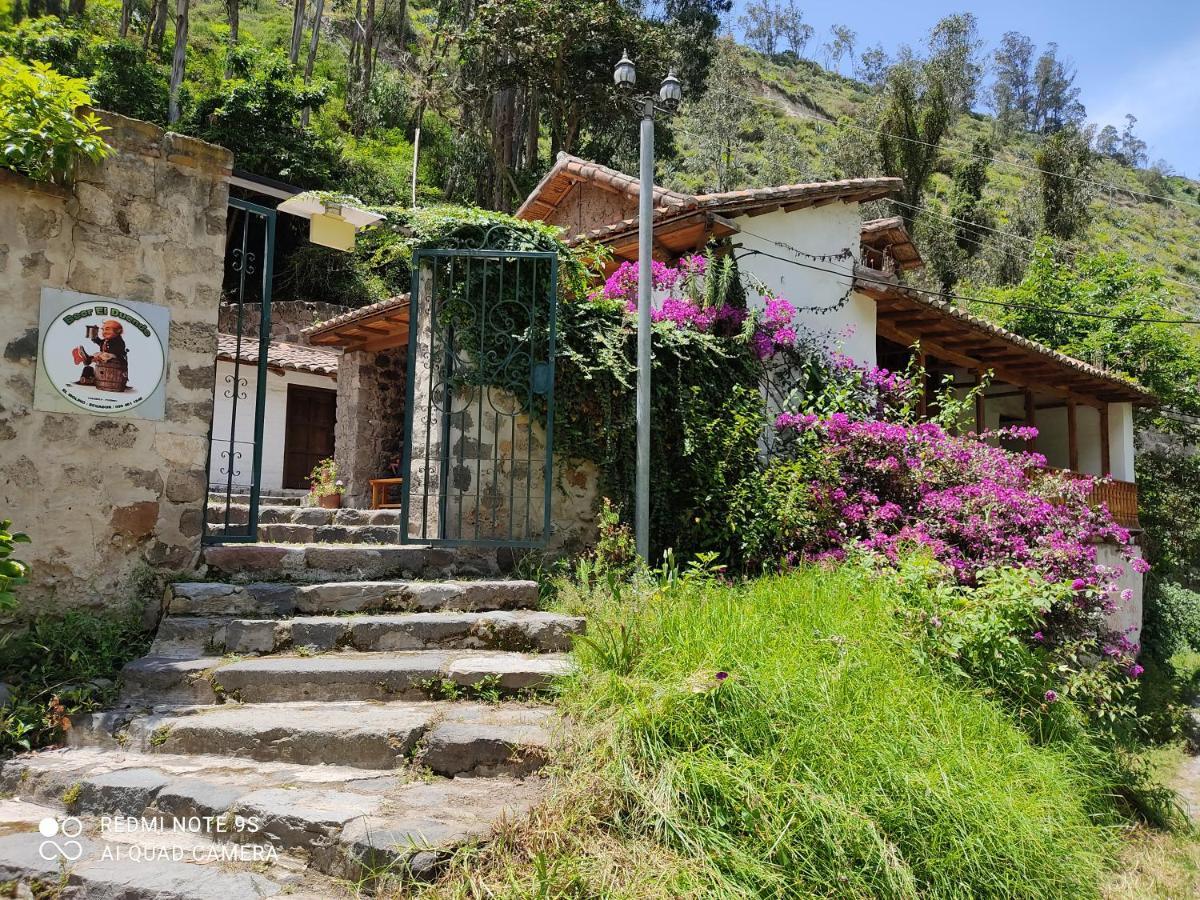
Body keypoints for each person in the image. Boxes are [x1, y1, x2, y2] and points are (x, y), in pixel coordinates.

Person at [73, 319, 127, 385]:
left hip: (116, 358)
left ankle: (88, 359)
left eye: (107, 329)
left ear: (118, 331)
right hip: (105, 359)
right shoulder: (106, 340)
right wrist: (94, 335)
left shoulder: (118, 341)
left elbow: (117, 351)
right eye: (103, 330)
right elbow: (100, 342)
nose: (104, 332)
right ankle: (88, 360)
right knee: (98, 355)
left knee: (104, 354)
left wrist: (101, 355)